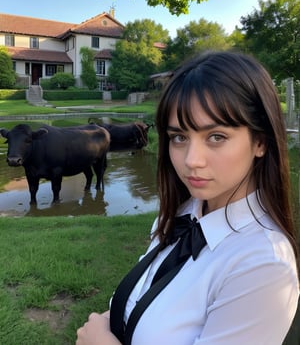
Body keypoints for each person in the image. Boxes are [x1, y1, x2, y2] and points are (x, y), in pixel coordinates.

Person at [76, 50, 299, 345]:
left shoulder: (262, 266)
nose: (191, 160)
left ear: (260, 141)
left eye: (216, 137)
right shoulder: (183, 212)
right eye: (179, 137)